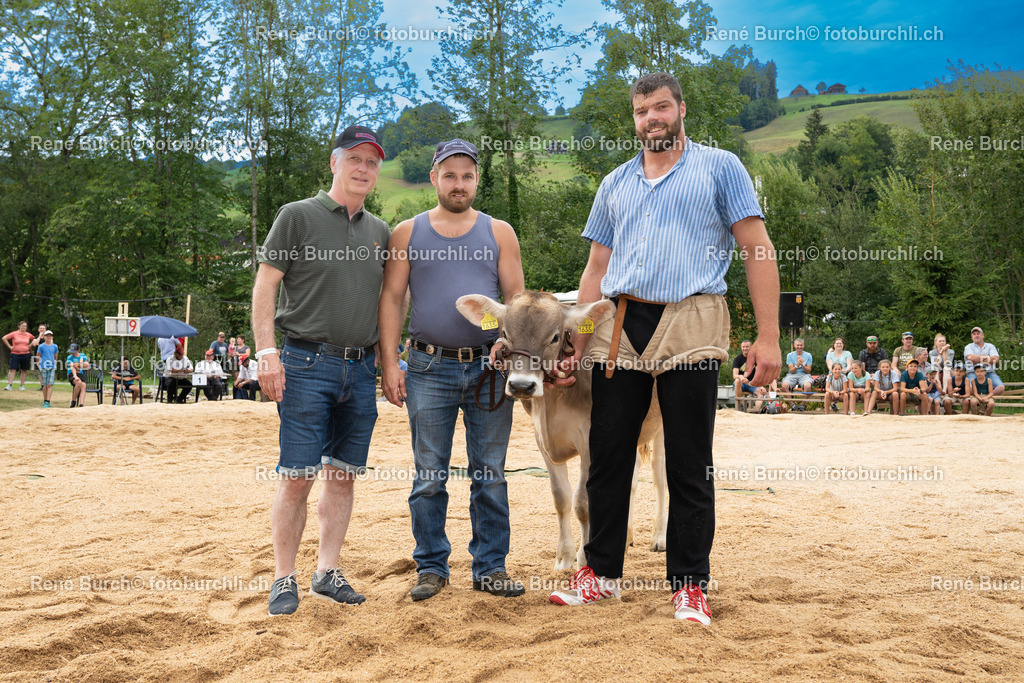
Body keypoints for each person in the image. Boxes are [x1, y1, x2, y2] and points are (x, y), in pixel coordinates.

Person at [545, 72, 781, 625]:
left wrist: (769, 336)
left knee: (689, 459)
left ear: (681, 109)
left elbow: (757, 248)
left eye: (660, 107)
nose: (651, 118)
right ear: (634, 118)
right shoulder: (615, 183)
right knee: (608, 454)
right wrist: (576, 346)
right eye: (641, 110)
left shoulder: (720, 167)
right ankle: (600, 574)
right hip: (619, 322)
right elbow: (596, 270)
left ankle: (690, 585)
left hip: (693, 319)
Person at [378, 138, 526, 602]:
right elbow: (392, 299)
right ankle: (430, 567)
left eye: (467, 176)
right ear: (434, 178)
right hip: (427, 365)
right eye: (449, 175)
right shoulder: (407, 233)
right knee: (429, 476)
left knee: (490, 473)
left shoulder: (500, 232)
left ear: (477, 179)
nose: (458, 184)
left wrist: (508, 342)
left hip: (489, 367)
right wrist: (390, 363)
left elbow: (516, 301)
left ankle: (491, 567)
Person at [253, 125, 391, 616]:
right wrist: (266, 353)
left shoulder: (380, 232)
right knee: (297, 476)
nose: (363, 169)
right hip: (304, 362)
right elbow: (266, 284)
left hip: (361, 368)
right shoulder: (296, 215)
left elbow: (389, 301)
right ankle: (283, 577)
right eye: (354, 158)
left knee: (344, 475)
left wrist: (386, 361)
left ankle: (326, 572)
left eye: (372, 162)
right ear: (334, 162)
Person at [964, 327, 1004, 397]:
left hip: (989, 373)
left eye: (978, 333)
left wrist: (977, 359)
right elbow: (971, 358)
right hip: (973, 373)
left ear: (982, 335)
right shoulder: (968, 347)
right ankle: (980, 399)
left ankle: (987, 398)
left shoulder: (990, 346)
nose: (976, 335)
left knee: (1000, 388)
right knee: (969, 389)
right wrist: (987, 357)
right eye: (974, 334)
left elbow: (995, 360)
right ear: (971, 337)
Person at [732, 340, 767, 412]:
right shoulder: (737, 359)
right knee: (737, 380)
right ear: (741, 347)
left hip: (752, 383)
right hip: (741, 383)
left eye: (747, 347)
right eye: (743, 347)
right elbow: (735, 375)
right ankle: (740, 404)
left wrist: (761, 385)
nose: (745, 348)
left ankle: (756, 411)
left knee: (761, 392)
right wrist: (741, 377)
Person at [4, 320, 36, 391]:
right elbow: (4, 338)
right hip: (15, 354)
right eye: (23, 326)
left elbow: (35, 339)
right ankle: (9, 385)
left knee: (24, 370)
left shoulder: (28, 334)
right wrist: (10, 346)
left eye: (25, 326)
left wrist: (30, 345)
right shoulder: (14, 333)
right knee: (12, 369)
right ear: (19, 326)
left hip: (26, 354)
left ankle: (22, 386)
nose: (24, 327)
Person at [35, 330, 59, 408]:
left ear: (52, 337)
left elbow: (56, 356)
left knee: (50, 384)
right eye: (47, 336)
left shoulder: (55, 346)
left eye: (50, 336)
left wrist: (54, 364)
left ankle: (48, 401)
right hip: (43, 366)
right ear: (44, 337)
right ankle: (45, 400)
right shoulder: (41, 346)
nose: (48, 337)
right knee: (44, 385)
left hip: (51, 367)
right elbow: (38, 356)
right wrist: (39, 365)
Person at [65, 342, 90, 407]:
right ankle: (73, 401)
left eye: (74, 352)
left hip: (80, 373)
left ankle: (81, 404)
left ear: (78, 350)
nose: (72, 353)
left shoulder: (82, 356)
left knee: (83, 385)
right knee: (78, 382)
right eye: (71, 352)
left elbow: (87, 365)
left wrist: (78, 364)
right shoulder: (69, 357)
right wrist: (80, 365)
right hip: (72, 373)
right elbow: (71, 366)